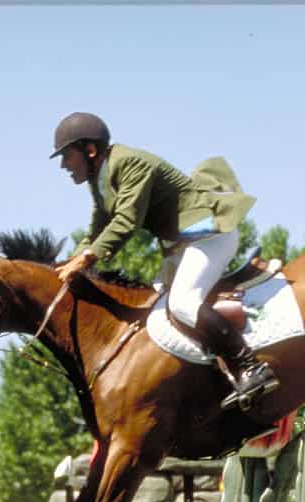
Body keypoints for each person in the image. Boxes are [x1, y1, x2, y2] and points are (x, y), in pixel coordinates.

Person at [49, 111, 278, 409]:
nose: (64, 165)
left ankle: (250, 367)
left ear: (89, 150)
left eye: (67, 156)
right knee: (152, 312)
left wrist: (86, 259)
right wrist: (73, 260)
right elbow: (98, 228)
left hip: (209, 236)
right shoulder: (100, 179)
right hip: (180, 246)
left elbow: (125, 222)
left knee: (182, 303)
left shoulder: (129, 163)